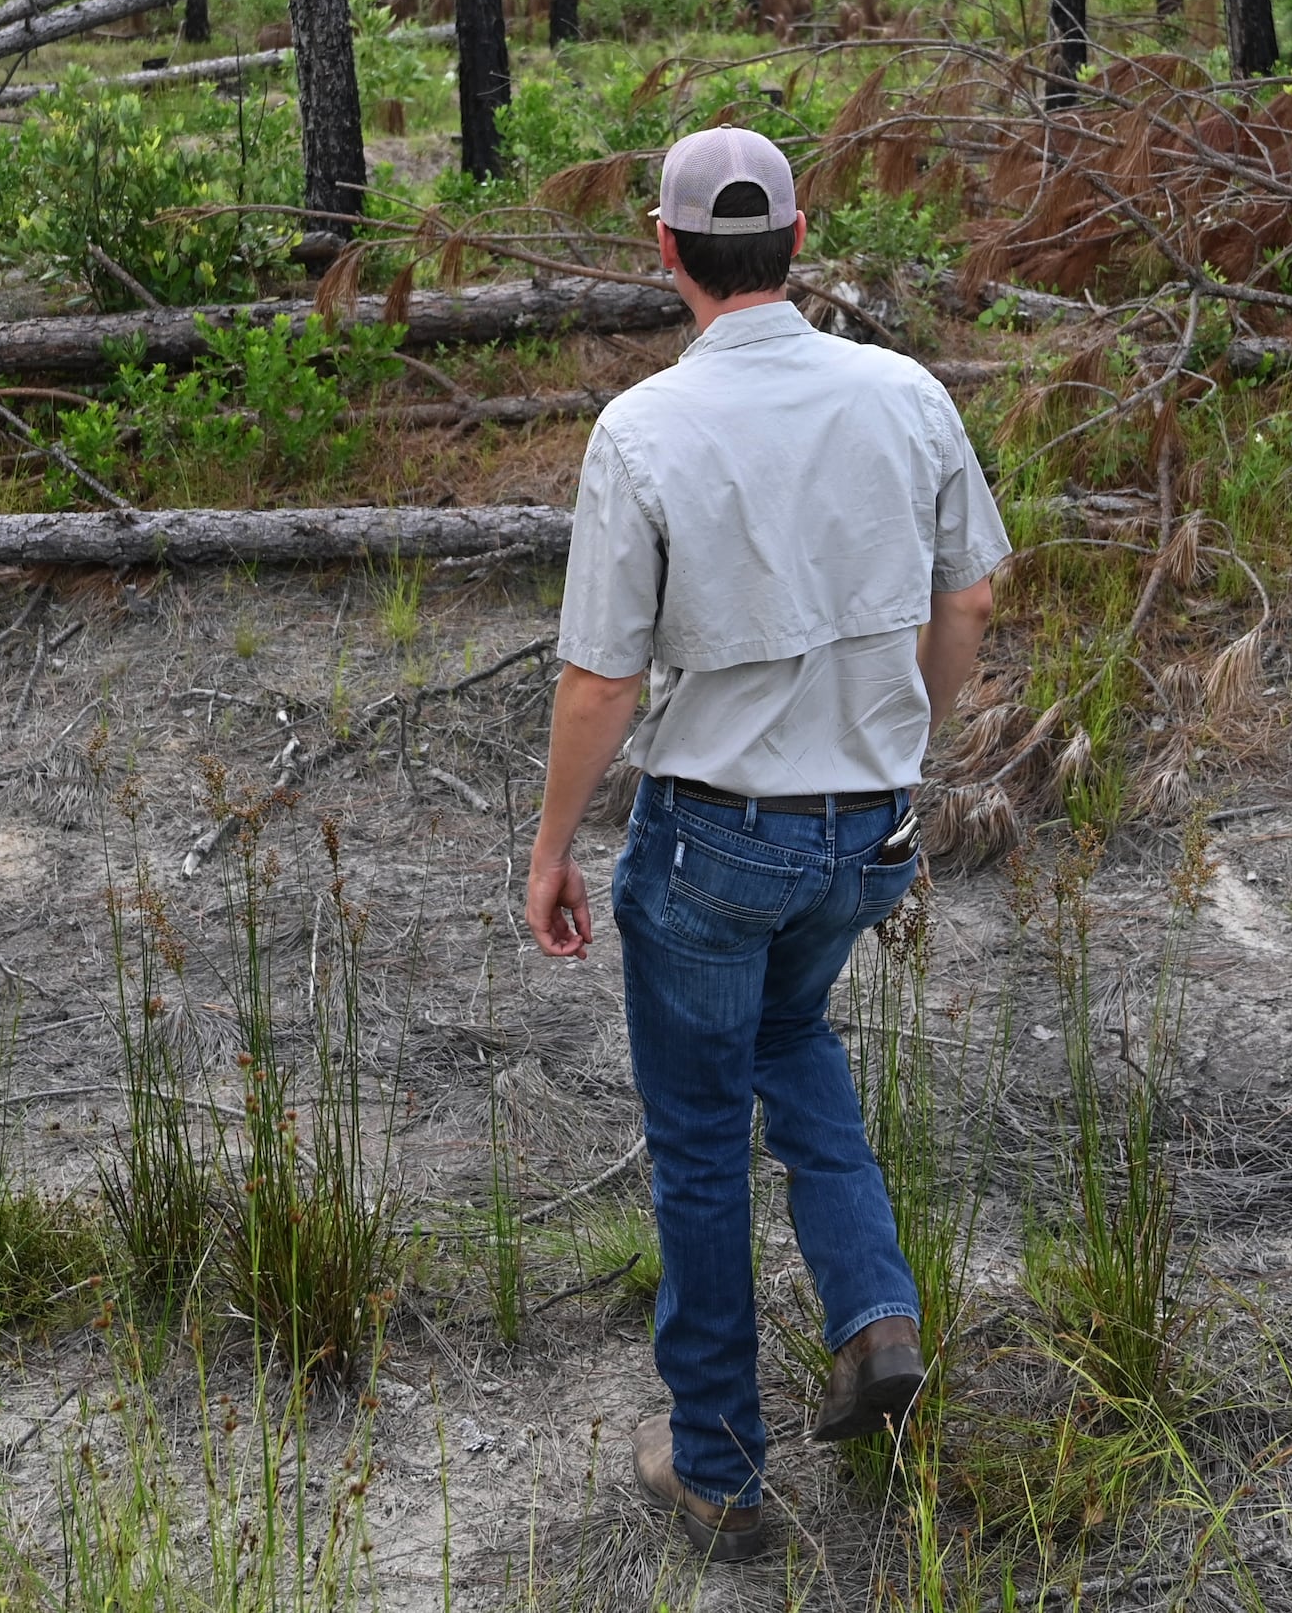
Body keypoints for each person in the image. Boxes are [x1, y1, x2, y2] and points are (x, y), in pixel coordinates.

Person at [524, 124, 1009, 1562]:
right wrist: (907, 745)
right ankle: (872, 1312)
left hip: (715, 841)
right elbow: (973, 595)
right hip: (867, 832)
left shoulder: (648, 430)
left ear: (665, 254)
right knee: (794, 1044)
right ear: (801, 241)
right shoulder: (905, 394)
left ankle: (721, 1475)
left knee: (696, 1142)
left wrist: (550, 848)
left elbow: (604, 682)